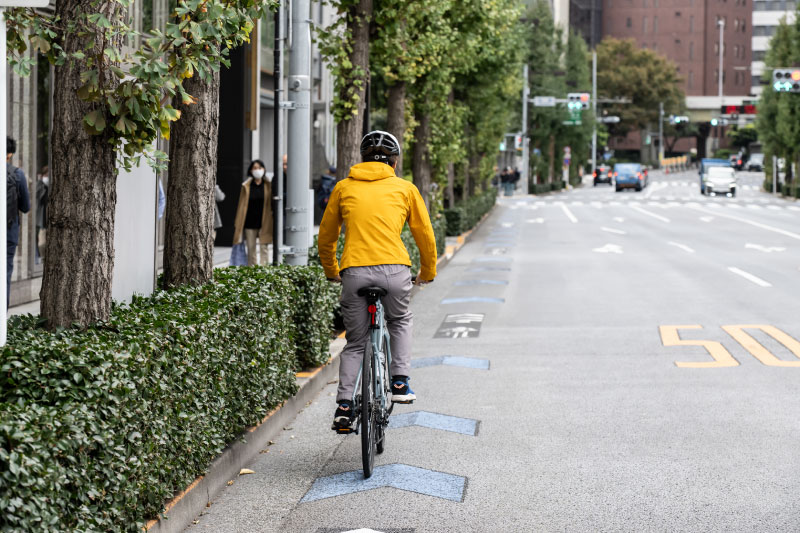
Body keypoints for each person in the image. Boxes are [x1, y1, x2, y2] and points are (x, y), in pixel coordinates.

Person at [317, 130, 437, 431]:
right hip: (395, 271)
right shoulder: (405, 189)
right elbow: (425, 236)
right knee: (399, 320)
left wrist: (331, 270)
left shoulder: (343, 188)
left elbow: (327, 238)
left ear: (362, 159)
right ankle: (399, 382)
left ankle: (344, 407)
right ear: (393, 162)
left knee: (355, 342)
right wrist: (427, 273)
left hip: (354, 272)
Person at [232, 160, 272, 266]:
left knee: (264, 248)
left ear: (264, 169)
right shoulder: (246, 186)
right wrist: (238, 222)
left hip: (264, 221)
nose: (257, 170)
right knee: (251, 249)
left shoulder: (268, 185)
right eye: (255, 168)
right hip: (249, 221)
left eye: (260, 168)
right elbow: (241, 205)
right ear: (250, 170)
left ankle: (264, 271)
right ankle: (252, 272)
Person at [6, 137, 30, 307]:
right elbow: (26, 207)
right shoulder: (17, 174)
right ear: (10, 154)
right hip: (8, 232)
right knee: (5, 273)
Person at [35, 165, 48, 264]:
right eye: (46, 175)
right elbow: (39, 197)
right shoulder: (40, 184)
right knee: (42, 244)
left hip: (50, 219)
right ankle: (43, 259)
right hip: (43, 220)